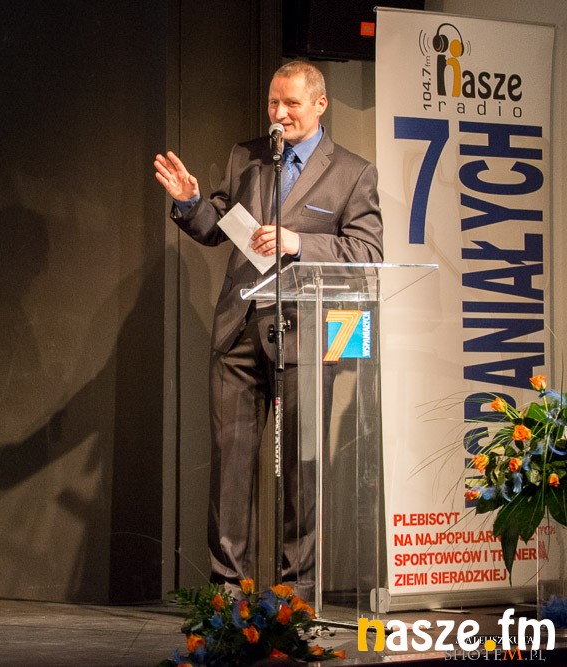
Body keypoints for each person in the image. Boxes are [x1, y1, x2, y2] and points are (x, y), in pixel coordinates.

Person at [153, 61, 383, 599]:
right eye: (273, 103)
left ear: (320, 105)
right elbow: (217, 226)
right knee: (231, 468)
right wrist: (190, 203)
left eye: (291, 104)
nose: (279, 114)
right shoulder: (247, 156)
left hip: (308, 338)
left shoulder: (353, 172)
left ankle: (295, 591)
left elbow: (368, 252)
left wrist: (298, 243)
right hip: (239, 331)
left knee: (302, 470)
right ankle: (228, 587)